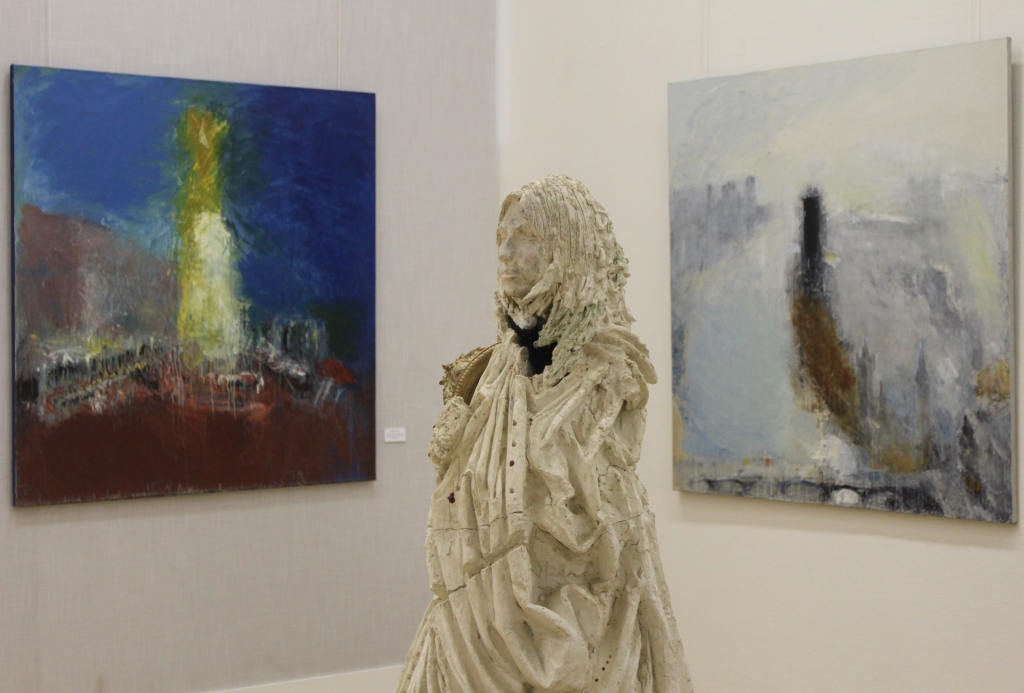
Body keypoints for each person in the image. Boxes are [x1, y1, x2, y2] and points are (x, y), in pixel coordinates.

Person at [396, 175, 693, 692]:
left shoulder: (608, 377)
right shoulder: (484, 377)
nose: (505, 252)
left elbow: (602, 525)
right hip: (475, 620)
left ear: (567, 248)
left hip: (591, 617)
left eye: (526, 236)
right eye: (501, 238)